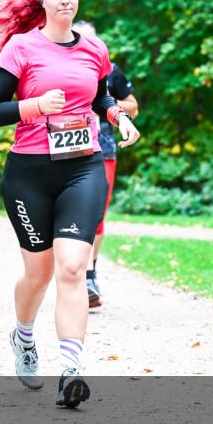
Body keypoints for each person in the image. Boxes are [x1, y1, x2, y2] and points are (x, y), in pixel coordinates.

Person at [0, 0, 141, 407]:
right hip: (29, 173)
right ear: (43, 0)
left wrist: (118, 119)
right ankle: (24, 337)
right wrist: (34, 105)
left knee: (72, 267)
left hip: (82, 167)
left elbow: (101, 97)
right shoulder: (20, 48)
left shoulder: (95, 49)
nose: (65, 0)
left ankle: (70, 370)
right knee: (39, 273)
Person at [71, 21, 139, 308]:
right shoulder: (60, 68)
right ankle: (72, 273)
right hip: (67, 149)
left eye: (92, 42)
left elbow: (133, 106)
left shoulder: (110, 71)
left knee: (96, 214)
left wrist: (108, 107)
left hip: (103, 149)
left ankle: (89, 274)